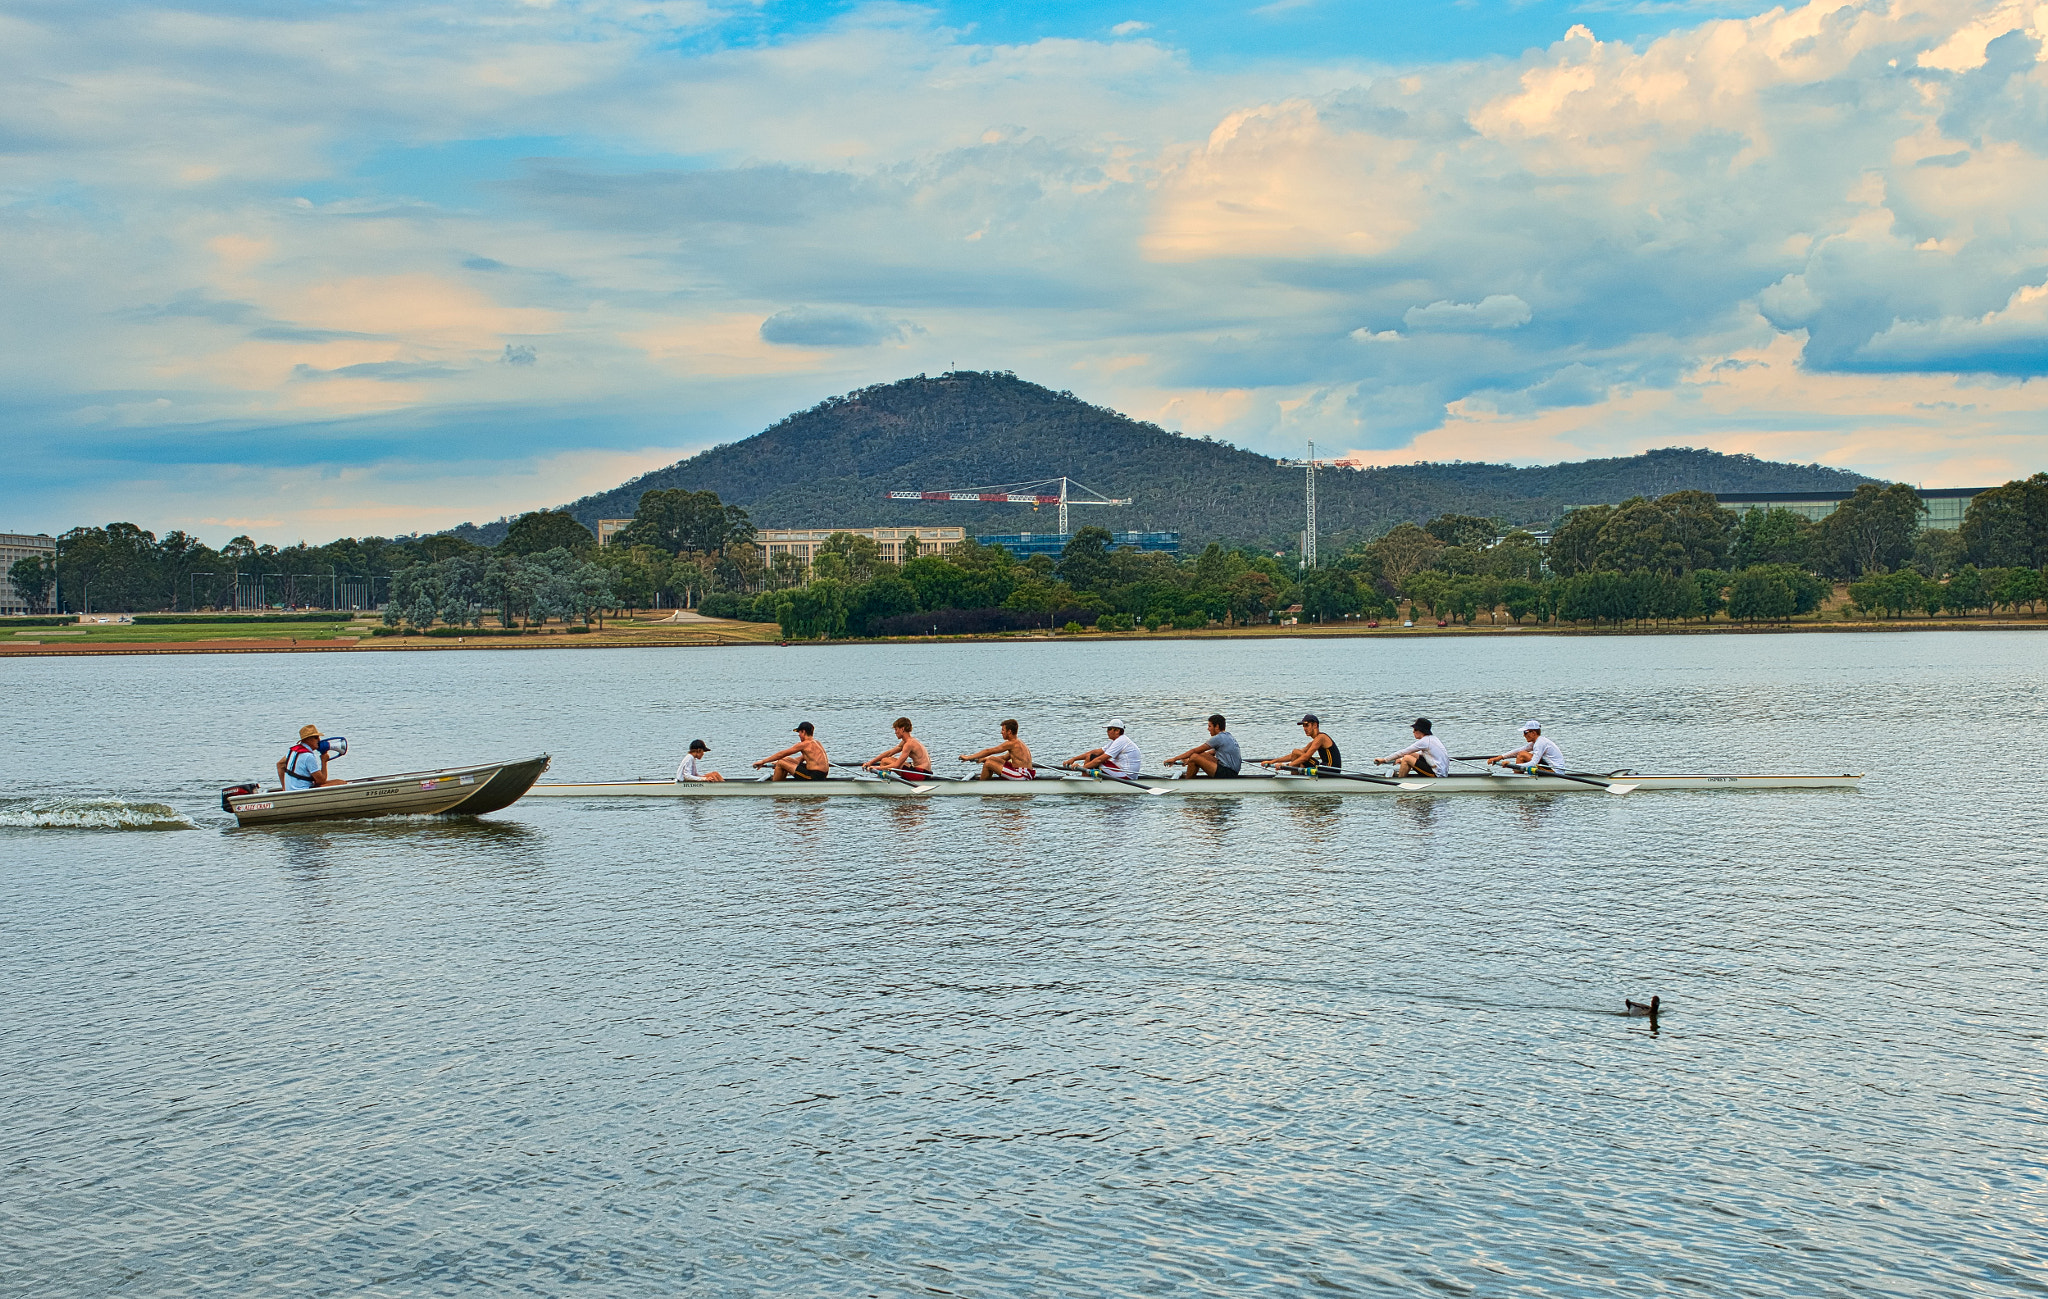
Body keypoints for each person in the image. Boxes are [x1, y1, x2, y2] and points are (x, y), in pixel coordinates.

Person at [1165, 713, 1242, 778]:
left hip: (1228, 773)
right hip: (1231, 771)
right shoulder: (1228, 736)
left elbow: (1194, 750)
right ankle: (1189, 776)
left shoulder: (1218, 738)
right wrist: (1188, 760)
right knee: (1197, 755)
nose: (1208, 729)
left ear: (1217, 726)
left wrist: (1174, 759)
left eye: (1210, 726)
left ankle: (1187, 782)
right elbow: (1211, 752)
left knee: (1195, 756)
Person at [277, 723, 346, 791]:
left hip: (291, 789)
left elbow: (279, 765)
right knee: (341, 783)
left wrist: (284, 787)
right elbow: (321, 781)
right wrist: (324, 762)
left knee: (337, 781)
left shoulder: (293, 751)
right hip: (302, 790)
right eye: (316, 737)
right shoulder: (308, 756)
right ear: (308, 740)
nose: (319, 740)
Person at [1064, 718, 1142, 778]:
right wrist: (1073, 759)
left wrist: (1081, 768)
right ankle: (1086, 778)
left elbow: (1100, 759)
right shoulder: (1115, 741)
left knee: (1092, 758)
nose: (1107, 731)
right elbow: (1095, 752)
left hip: (1126, 776)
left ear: (1117, 731)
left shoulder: (1121, 741)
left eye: (1109, 729)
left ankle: (1084, 780)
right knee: (1092, 756)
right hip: (1120, 771)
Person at [1263, 714, 1341, 773]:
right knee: (1296, 753)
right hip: (1324, 767)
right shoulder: (1315, 741)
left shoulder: (1321, 738)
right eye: (1303, 726)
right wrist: (1273, 761)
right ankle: (1296, 777)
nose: (1304, 728)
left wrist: (1286, 766)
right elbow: (1293, 755)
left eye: (1307, 725)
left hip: (1332, 769)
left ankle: (1295, 779)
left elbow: (1306, 757)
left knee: (1297, 752)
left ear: (1315, 725)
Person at [960, 719, 1035, 780]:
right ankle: (987, 782)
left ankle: (980, 786)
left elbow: (989, 751)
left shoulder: (1011, 743)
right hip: (1026, 773)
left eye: (1003, 730)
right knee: (991, 759)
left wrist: (968, 757)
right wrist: (984, 759)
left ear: (1009, 732)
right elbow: (1004, 758)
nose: (1001, 732)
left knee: (988, 764)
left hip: (1022, 776)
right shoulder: (1019, 743)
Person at [755, 721, 830, 781]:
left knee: (781, 762)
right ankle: (778, 778)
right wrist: (783, 763)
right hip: (822, 774)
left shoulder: (804, 744)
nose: (798, 735)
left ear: (803, 732)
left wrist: (763, 761)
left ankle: (775, 786)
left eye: (799, 732)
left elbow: (782, 754)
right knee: (784, 760)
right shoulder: (817, 743)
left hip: (813, 776)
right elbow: (799, 759)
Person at [865, 717, 933, 780]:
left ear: (902, 729)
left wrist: (877, 768)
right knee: (887, 759)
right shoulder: (909, 741)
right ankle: (883, 777)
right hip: (923, 772)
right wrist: (870, 763)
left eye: (896, 729)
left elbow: (897, 765)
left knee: (885, 761)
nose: (895, 732)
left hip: (920, 774)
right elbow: (889, 753)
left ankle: (882, 781)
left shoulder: (908, 744)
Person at [1379, 717, 1449, 778]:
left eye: (1415, 729)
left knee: (1407, 758)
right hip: (1440, 770)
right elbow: (1423, 755)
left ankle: (1400, 781)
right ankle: (1403, 774)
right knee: (1411, 755)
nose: (1413, 732)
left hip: (1437, 774)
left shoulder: (1424, 741)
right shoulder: (1433, 738)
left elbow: (1403, 752)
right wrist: (1401, 759)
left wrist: (1384, 760)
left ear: (1421, 730)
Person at [1489, 721, 1564, 773]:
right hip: (1549, 767)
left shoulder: (1540, 743)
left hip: (1555, 771)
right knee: (1521, 753)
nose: (1524, 735)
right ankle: (1518, 776)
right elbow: (1518, 751)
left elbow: (1533, 763)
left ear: (1533, 733)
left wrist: (1511, 766)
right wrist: (1500, 757)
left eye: (1525, 732)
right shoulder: (1537, 741)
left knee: (1522, 755)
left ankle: (1518, 779)